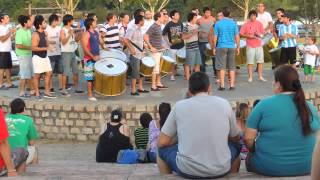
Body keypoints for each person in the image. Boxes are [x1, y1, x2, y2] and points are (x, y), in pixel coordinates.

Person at [157, 72, 240, 178]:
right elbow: (235, 138)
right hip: (221, 168)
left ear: (189, 91)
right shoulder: (224, 103)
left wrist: (177, 141)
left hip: (187, 170)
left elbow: (161, 143)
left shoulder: (179, 106)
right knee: (236, 147)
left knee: (161, 151)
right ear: (209, 88)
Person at [245, 65, 320, 176]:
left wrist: (253, 150)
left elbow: (248, 139)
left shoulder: (263, 105)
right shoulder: (309, 106)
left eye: (274, 82)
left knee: (248, 158)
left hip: (270, 167)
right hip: (308, 166)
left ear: (279, 85)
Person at [213, 7, 240, 91]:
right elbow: (237, 36)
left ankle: (222, 86)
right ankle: (232, 85)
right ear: (230, 14)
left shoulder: (218, 23)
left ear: (222, 14)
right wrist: (238, 46)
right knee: (232, 67)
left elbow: (215, 38)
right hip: (231, 46)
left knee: (222, 67)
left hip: (221, 46)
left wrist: (214, 47)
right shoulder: (233, 23)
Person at [6, 98, 39, 165]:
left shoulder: (4, 118)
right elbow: (31, 142)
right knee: (35, 149)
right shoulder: (28, 120)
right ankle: (31, 169)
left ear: (11, 108)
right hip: (19, 156)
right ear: (24, 108)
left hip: (4, 156)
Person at [31, 15, 56, 99]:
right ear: (40, 24)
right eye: (44, 22)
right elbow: (33, 48)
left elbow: (47, 44)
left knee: (49, 73)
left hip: (45, 56)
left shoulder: (44, 33)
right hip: (37, 57)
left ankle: (46, 91)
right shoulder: (35, 34)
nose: (46, 24)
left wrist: (46, 38)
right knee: (37, 76)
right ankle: (37, 93)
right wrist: (47, 48)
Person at [124, 15, 149, 96]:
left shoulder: (139, 29)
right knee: (135, 72)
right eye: (143, 20)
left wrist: (144, 46)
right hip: (134, 54)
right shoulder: (132, 29)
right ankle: (133, 90)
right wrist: (131, 49)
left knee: (141, 72)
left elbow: (138, 40)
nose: (144, 22)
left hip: (140, 53)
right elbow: (126, 40)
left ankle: (140, 88)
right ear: (140, 21)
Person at [240, 10, 266, 82]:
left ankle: (260, 76)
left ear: (256, 16)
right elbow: (241, 34)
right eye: (251, 15)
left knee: (260, 61)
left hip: (259, 45)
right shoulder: (246, 24)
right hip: (250, 45)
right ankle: (250, 77)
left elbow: (263, 34)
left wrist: (259, 34)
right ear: (249, 16)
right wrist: (248, 36)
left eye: (254, 15)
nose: (253, 17)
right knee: (250, 62)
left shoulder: (259, 23)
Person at [0, 107, 27, 177]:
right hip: (2, 166)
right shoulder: (29, 120)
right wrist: (11, 170)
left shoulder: (6, 117)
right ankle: (18, 174)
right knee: (23, 151)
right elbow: (2, 142)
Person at [60, 14, 83, 96]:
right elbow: (63, 42)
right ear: (69, 21)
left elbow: (75, 40)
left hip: (73, 51)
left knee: (75, 71)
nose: (73, 21)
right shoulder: (63, 30)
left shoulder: (72, 29)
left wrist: (79, 35)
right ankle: (63, 89)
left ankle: (76, 88)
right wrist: (69, 34)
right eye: (72, 20)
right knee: (66, 71)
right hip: (66, 52)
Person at [82, 17, 104, 101]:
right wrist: (92, 56)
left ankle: (95, 92)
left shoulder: (96, 32)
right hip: (89, 59)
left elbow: (101, 42)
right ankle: (90, 95)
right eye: (95, 22)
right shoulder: (86, 34)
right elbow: (84, 48)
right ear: (91, 25)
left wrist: (102, 37)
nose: (96, 23)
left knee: (96, 77)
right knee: (89, 78)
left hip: (97, 58)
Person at [144, 12, 167, 91]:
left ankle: (158, 83)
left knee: (159, 68)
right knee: (155, 69)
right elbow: (145, 36)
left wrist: (162, 46)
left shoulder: (159, 26)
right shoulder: (153, 26)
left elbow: (157, 38)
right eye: (162, 16)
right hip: (154, 51)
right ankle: (153, 86)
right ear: (158, 18)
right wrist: (151, 47)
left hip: (159, 50)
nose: (164, 17)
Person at [162, 10, 184, 81]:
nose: (178, 15)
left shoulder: (180, 23)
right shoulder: (169, 24)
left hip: (181, 45)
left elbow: (182, 33)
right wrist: (168, 42)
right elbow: (163, 34)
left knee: (183, 60)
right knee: (173, 62)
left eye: (178, 14)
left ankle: (185, 74)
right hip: (173, 47)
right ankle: (172, 75)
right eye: (177, 14)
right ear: (173, 16)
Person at [15, 15, 34, 97]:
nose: (31, 22)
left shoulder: (29, 31)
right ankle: (21, 92)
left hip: (29, 55)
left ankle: (32, 90)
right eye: (29, 21)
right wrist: (30, 47)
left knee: (30, 73)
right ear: (25, 23)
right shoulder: (19, 32)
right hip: (22, 56)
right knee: (23, 74)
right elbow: (18, 45)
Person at [46, 13, 63, 94]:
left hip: (58, 52)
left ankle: (61, 87)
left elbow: (60, 39)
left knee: (60, 71)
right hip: (50, 53)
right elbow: (44, 39)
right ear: (53, 21)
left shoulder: (59, 28)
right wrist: (50, 41)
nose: (57, 23)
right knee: (50, 72)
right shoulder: (47, 29)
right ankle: (50, 87)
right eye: (56, 21)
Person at [182, 13, 201, 80]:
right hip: (189, 47)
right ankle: (188, 77)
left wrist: (200, 33)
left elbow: (198, 36)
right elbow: (183, 37)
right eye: (195, 18)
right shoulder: (186, 26)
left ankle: (197, 77)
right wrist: (193, 33)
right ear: (191, 18)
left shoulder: (197, 26)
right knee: (188, 63)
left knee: (198, 63)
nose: (196, 19)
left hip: (196, 46)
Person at [0, 13, 16, 90]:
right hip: (2, 50)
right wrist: (10, 32)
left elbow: (10, 39)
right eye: (7, 17)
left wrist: (14, 33)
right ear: (2, 19)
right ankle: (0, 84)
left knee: (8, 68)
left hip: (8, 50)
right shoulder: (0, 27)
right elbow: (2, 39)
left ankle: (9, 83)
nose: (8, 19)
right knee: (2, 68)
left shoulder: (7, 27)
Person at [197, 7, 216, 73]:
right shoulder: (199, 20)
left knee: (214, 57)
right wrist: (199, 34)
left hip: (211, 41)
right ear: (204, 13)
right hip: (202, 41)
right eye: (207, 12)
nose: (208, 14)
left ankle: (216, 72)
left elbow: (215, 28)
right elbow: (196, 29)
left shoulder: (213, 19)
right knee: (202, 57)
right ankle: (203, 72)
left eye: (209, 13)